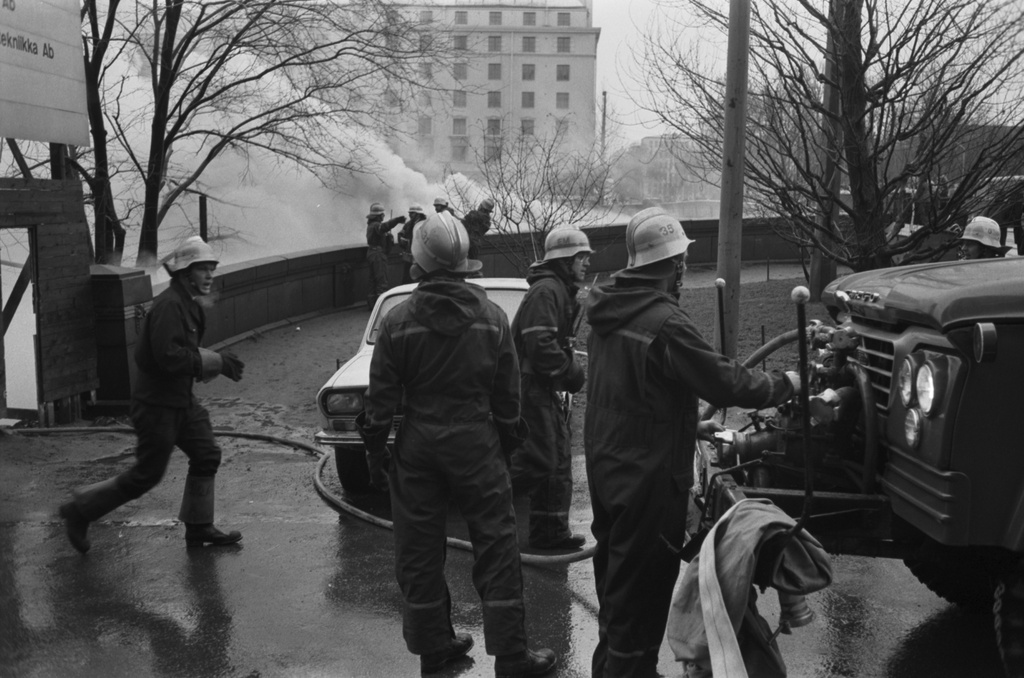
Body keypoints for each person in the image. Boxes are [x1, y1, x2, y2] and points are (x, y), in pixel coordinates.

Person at [583, 207, 800, 678]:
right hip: (647, 482)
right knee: (640, 599)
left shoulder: (605, 309)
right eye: (681, 261)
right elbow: (726, 384)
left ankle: (615, 667)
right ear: (672, 264)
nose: (684, 270)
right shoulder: (663, 321)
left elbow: (630, 394)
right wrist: (789, 384)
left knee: (616, 590)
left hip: (608, 469)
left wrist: (685, 426)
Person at [359, 212, 557, 677]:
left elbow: (380, 398)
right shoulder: (491, 319)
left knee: (419, 549)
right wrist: (506, 444)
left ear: (418, 264)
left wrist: (374, 449)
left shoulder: (397, 321)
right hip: (477, 443)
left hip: (418, 447)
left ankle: (435, 648)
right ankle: (511, 655)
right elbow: (509, 398)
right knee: (496, 545)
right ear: (465, 262)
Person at [58, 236, 246, 554]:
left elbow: (182, 352)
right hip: (157, 405)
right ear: (185, 273)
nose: (210, 275)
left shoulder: (189, 305)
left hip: (181, 402)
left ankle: (199, 527)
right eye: (203, 270)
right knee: (146, 475)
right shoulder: (170, 306)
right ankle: (79, 510)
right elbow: (166, 357)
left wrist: (214, 363)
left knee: (206, 455)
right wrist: (215, 362)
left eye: (212, 268)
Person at [510, 228, 591, 551]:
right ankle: (482, 502)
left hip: (543, 387)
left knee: (556, 459)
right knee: (539, 460)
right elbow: (540, 345)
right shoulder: (546, 292)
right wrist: (571, 372)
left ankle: (550, 533)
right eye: (581, 258)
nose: (586, 264)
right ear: (565, 260)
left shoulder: (557, 289)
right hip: (532, 388)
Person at [366, 202, 406, 310]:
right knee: (381, 280)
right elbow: (384, 227)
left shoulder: (371, 225)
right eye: (382, 215)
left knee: (372, 280)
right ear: (378, 216)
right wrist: (396, 220)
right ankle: (381, 307)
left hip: (371, 253)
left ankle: (372, 304)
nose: (384, 216)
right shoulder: (376, 226)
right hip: (378, 255)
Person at [397, 204, 427, 285]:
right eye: (409, 213)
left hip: (420, 257)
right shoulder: (408, 224)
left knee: (419, 279)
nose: (409, 215)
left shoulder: (425, 224)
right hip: (409, 256)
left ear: (418, 214)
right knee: (407, 278)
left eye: (412, 213)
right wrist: (402, 240)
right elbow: (401, 234)